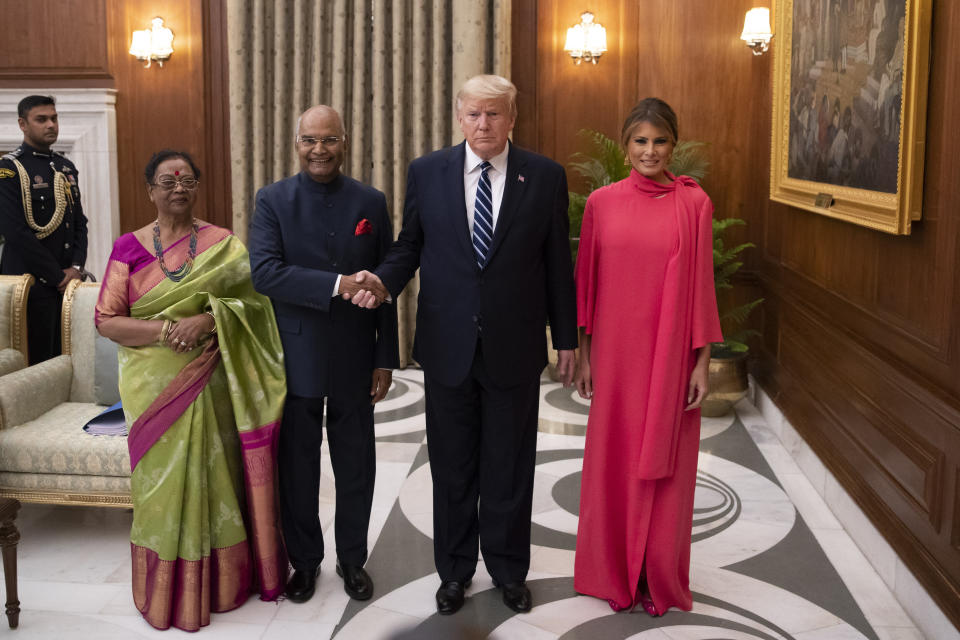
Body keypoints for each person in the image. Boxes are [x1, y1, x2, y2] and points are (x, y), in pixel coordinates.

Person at [348, 74, 577, 615]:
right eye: (474, 114)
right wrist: (382, 282)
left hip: (515, 347)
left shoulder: (543, 176)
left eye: (495, 114)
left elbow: (557, 268)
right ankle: (454, 572)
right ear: (459, 116)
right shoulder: (428, 172)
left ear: (512, 118)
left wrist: (565, 339)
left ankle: (508, 570)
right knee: (452, 467)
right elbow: (409, 246)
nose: (484, 124)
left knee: (510, 465)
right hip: (447, 346)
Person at [96, 150, 287, 631]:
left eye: (187, 180)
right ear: (151, 191)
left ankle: (223, 585)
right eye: (167, 180)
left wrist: (210, 317)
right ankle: (165, 592)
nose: (178, 187)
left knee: (216, 474)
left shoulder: (224, 244)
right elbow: (106, 319)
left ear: (196, 187)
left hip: (211, 378)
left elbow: (256, 306)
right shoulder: (128, 248)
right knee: (159, 487)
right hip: (150, 386)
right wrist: (167, 331)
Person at [572, 98, 722, 616]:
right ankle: (611, 570)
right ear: (625, 145)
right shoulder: (601, 203)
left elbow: (703, 287)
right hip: (614, 360)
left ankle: (655, 573)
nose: (650, 151)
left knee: (667, 470)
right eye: (640, 141)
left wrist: (701, 363)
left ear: (673, 146)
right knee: (613, 462)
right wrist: (585, 357)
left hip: (670, 358)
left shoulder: (693, 203)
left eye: (659, 141)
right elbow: (585, 290)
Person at [248, 105, 399, 604]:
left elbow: (383, 282)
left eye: (329, 140)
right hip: (295, 354)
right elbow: (266, 273)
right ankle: (306, 562)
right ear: (296, 143)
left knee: (357, 464)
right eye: (310, 140)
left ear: (345, 141)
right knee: (299, 466)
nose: (319, 150)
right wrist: (337, 284)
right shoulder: (271, 200)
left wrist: (386, 356)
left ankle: (352, 559)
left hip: (357, 354)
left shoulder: (370, 201)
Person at [0, 95, 88, 363]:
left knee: (64, 360)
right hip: (29, 285)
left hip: (65, 285)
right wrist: (56, 276)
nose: (51, 124)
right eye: (42, 119)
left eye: (54, 118)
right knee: (32, 364)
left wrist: (75, 267)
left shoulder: (64, 167)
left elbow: (79, 223)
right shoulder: (9, 169)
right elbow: (15, 232)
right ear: (22, 124)